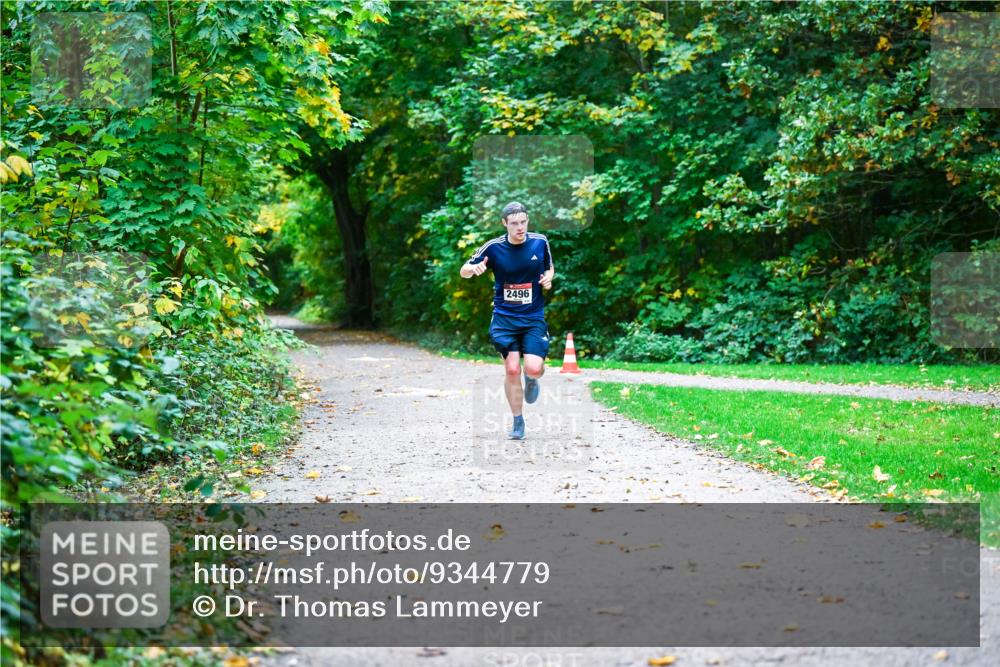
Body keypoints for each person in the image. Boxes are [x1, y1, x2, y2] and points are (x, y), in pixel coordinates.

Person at [459, 202, 555, 440]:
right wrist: (473, 269)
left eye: (523, 222)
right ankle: (518, 421)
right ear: (505, 224)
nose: (520, 227)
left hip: (533, 317)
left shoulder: (540, 241)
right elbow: (464, 270)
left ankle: (532, 379)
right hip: (504, 317)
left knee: (533, 368)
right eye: (514, 223)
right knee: (512, 369)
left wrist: (547, 280)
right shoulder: (493, 247)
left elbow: (549, 268)